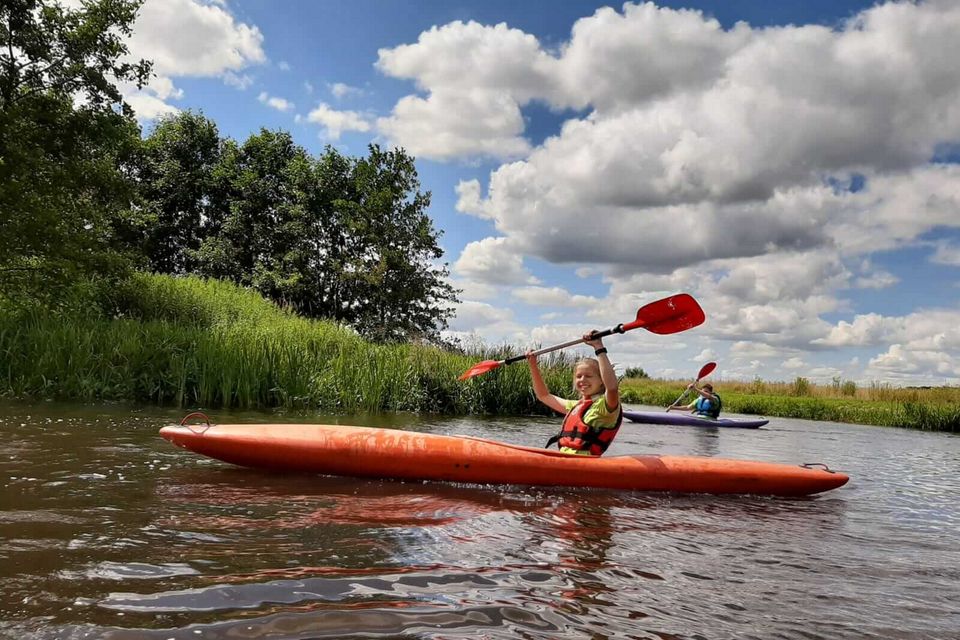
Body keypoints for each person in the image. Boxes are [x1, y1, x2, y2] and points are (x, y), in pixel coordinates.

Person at [526, 332, 622, 456]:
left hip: (584, 463)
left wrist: (599, 347)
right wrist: (533, 364)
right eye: (578, 376)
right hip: (565, 458)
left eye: (588, 376)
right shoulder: (575, 406)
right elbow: (544, 396)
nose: (582, 380)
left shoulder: (605, 406)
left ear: (601, 381)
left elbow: (612, 388)